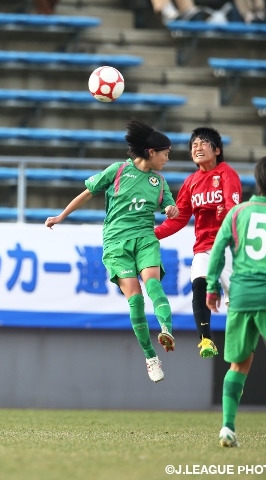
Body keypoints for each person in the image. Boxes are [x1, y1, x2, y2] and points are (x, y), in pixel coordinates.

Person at [45, 119, 179, 383]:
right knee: (136, 299)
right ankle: (151, 357)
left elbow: (169, 206)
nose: (167, 158)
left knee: (153, 285)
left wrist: (169, 209)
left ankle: (167, 329)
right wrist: (61, 216)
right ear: (151, 152)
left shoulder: (159, 182)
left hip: (145, 239)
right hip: (116, 243)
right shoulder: (118, 171)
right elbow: (87, 192)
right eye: (166, 153)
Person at [206, 154, 266, 448]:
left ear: (258, 180)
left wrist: (212, 287)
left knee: (239, 364)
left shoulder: (238, 213)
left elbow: (217, 251)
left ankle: (228, 428)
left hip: (240, 296)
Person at [155, 127, 242, 358]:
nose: (197, 147)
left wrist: (225, 215)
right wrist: (153, 234)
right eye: (194, 144)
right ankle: (206, 340)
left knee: (239, 304)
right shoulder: (191, 182)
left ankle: (248, 341)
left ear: (217, 150)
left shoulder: (227, 174)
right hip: (204, 248)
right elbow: (180, 219)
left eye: (203, 143)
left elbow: (234, 212)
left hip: (230, 248)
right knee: (198, 284)